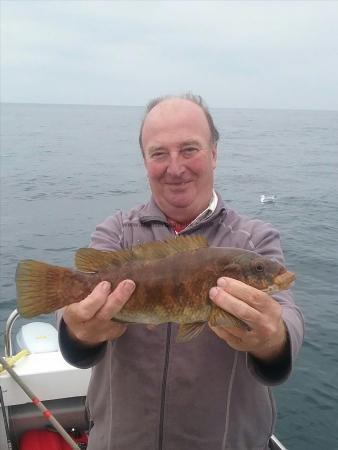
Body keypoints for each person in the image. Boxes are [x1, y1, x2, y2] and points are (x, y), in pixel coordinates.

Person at [58, 94, 304, 450]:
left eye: (189, 149)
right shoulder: (116, 232)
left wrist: (273, 338)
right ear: (145, 162)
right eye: (159, 153)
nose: (175, 167)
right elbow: (71, 317)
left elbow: (288, 320)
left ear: (214, 153)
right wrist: (76, 328)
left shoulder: (254, 240)